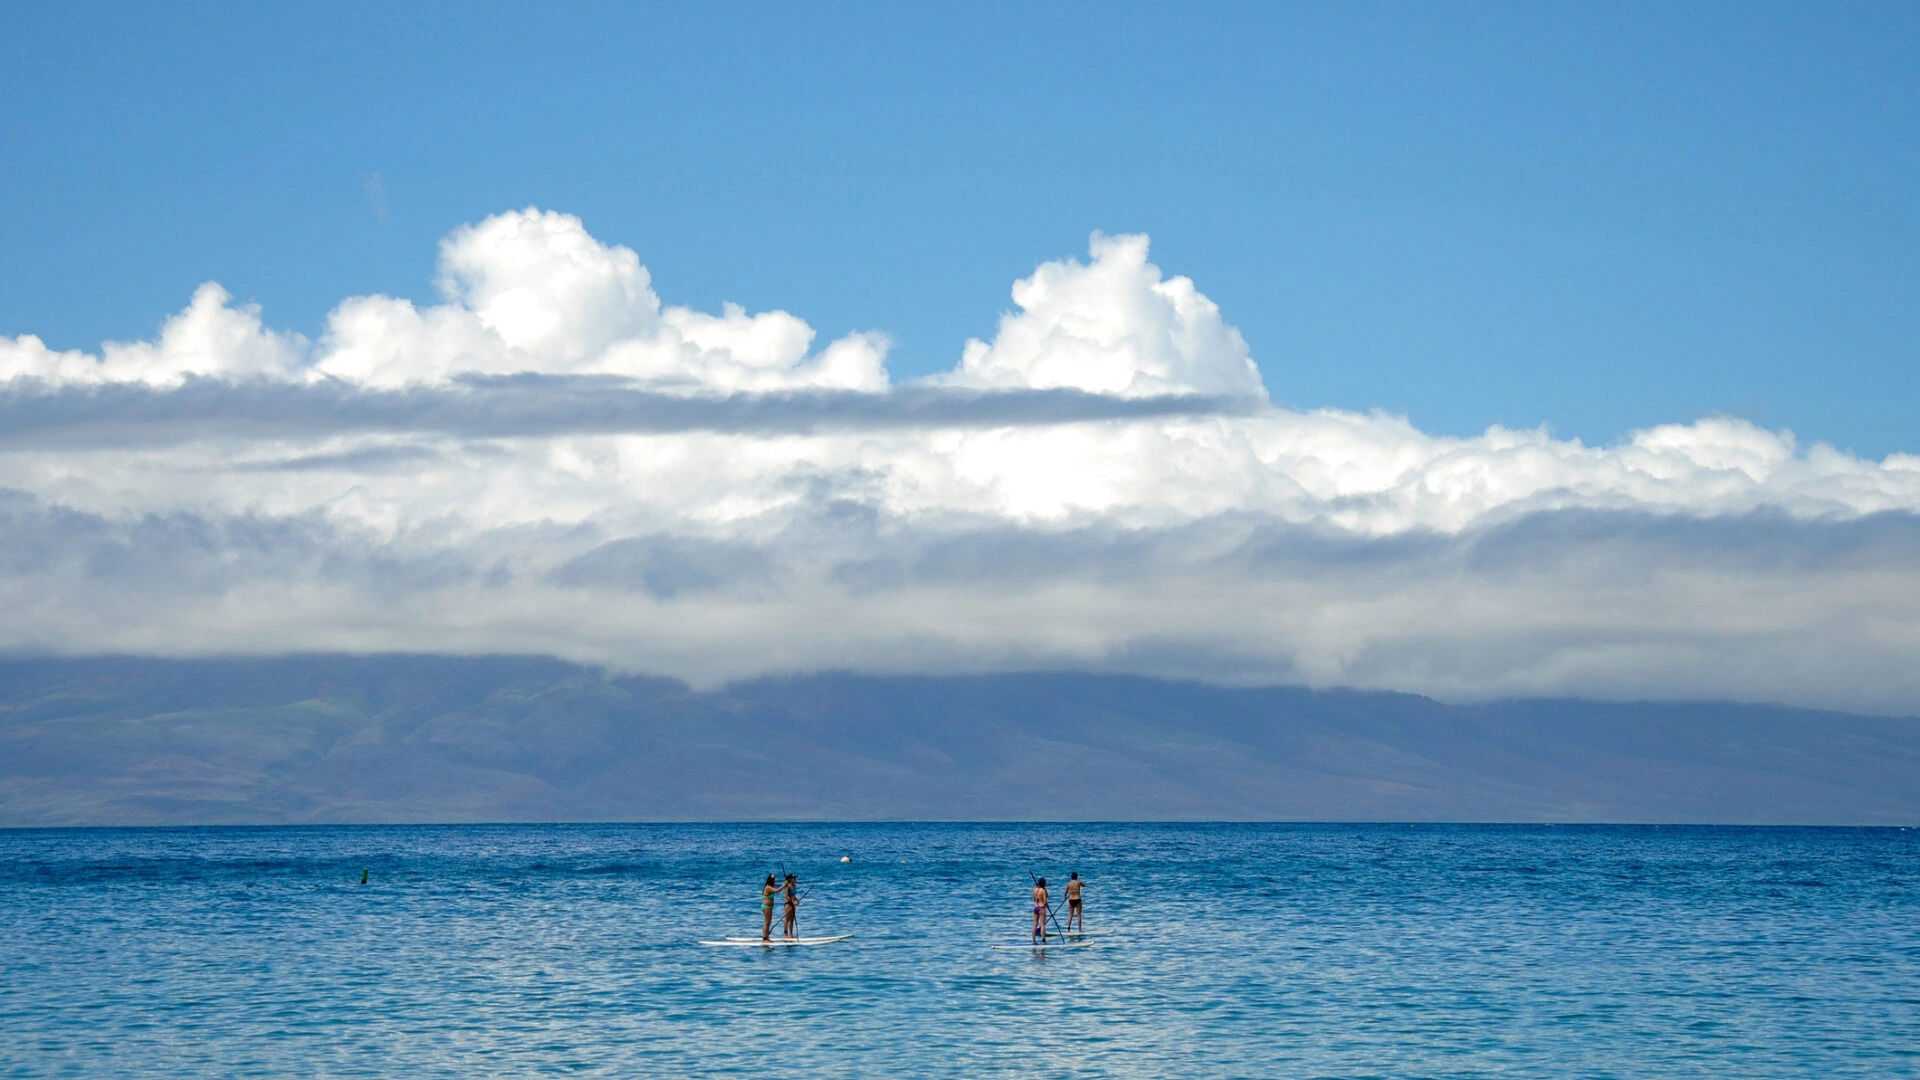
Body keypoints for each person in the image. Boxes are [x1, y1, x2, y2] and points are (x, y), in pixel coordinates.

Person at [760, 874, 780, 941]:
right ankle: (765, 938)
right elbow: (777, 891)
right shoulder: (768, 887)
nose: (775, 881)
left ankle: (766, 937)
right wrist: (784, 885)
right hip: (766, 906)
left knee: (768, 922)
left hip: (769, 907)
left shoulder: (771, 887)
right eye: (774, 879)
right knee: (767, 922)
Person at [782, 873, 800, 939]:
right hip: (788, 904)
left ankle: (791, 934)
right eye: (794, 878)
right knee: (787, 919)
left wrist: (796, 900)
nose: (795, 879)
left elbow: (793, 895)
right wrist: (792, 901)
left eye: (795, 878)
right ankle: (786, 935)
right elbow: (786, 896)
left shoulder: (794, 886)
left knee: (792, 919)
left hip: (793, 904)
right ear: (790, 879)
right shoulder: (788, 886)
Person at [1032, 877, 1049, 942]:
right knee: (1042, 924)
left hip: (1036, 907)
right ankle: (1044, 941)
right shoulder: (1043, 890)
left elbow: (1034, 899)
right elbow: (1045, 901)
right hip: (1041, 908)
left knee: (1035, 924)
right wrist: (1046, 904)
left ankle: (1033, 941)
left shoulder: (1034, 890)